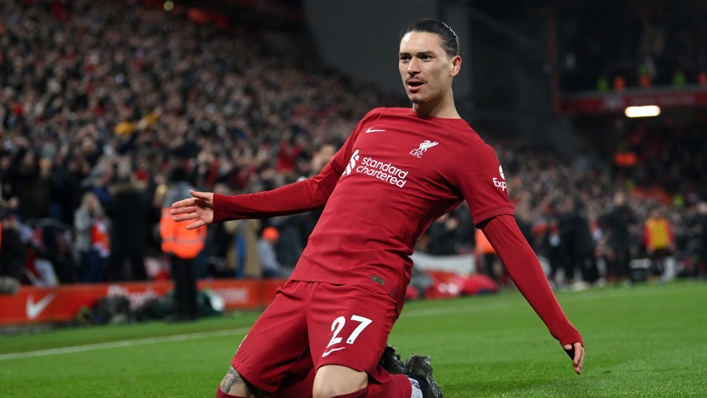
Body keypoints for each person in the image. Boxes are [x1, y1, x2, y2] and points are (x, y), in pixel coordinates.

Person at [172, 19, 584, 398]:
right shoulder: (375, 120)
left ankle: (415, 389)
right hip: (308, 274)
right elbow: (318, 190)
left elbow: (508, 240)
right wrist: (227, 207)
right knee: (234, 391)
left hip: (366, 281)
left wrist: (558, 323)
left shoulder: (471, 151)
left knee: (331, 391)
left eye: (426, 57)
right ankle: (374, 373)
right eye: (405, 58)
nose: (412, 68)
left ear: (455, 65)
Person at [160, 166, 207, 322]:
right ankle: (193, 311)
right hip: (193, 245)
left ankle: (183, 312)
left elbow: (168, 222)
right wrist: (200, 241)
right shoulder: (194, 193)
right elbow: (203, 219)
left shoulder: (172, 194)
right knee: (191, 279)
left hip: (177, 245)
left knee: (180, 281)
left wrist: (168, 245)